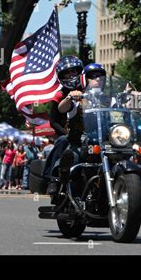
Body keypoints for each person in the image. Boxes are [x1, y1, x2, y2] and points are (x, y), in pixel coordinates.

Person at [48, 63, 107, 198]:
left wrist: (131, 99)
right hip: (78, 139)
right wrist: (69, 97)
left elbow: (122, 112)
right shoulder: (75, 97)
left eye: (100, 76)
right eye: (92, 77)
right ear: (85, 79)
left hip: (103, 142)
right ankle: (56, 178)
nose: (97, 79)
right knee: (69, 152)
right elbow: (60, 111)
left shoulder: (109, 99)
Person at [43, 56, 84, 194]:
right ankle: (53, 178)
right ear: (62, 76)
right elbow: (53, 121)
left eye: (74, 71)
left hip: (87, 132)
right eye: (68, 72)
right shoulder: (59, 95)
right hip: (67, 132)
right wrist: (66, 133)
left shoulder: (88, 91)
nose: (72, 74)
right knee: (62, 141)